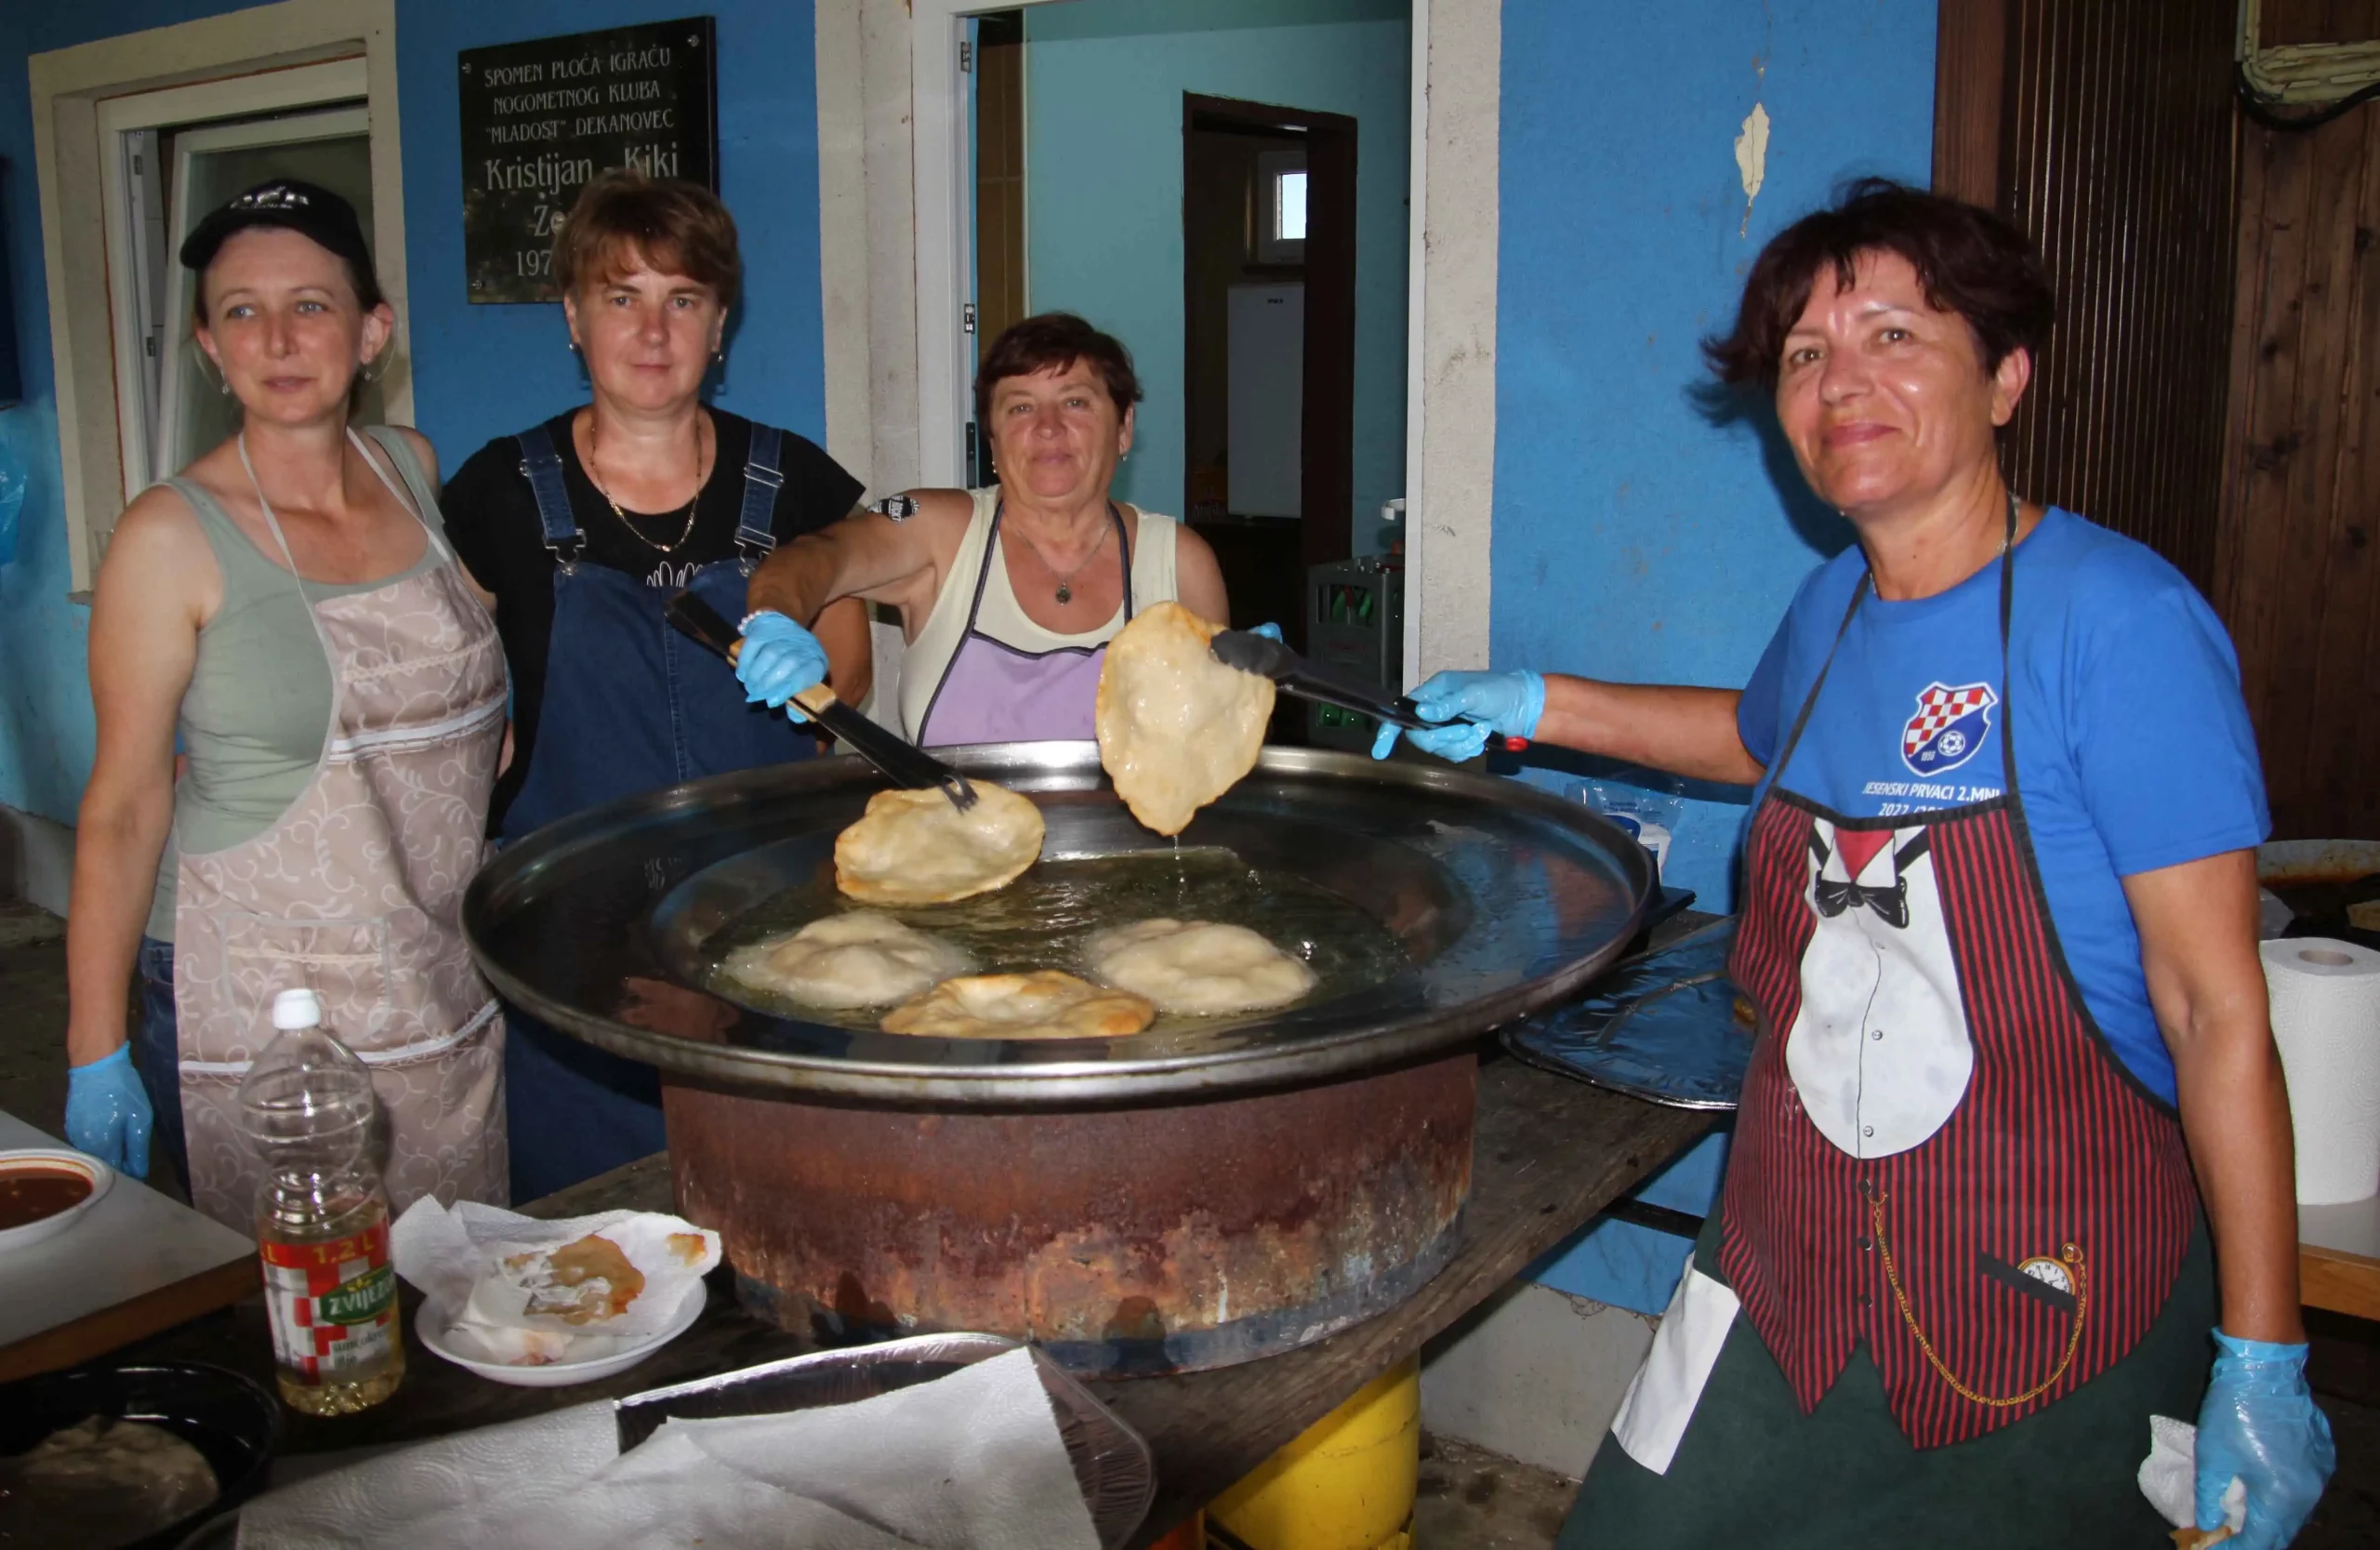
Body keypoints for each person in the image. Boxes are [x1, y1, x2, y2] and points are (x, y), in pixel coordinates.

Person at [1381, 181, 2335, 1548]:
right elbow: (1750, 732)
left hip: (2042, 1281)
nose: (1843, 385)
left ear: (2006, 377)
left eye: (1895, 337)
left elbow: (2215, 1011)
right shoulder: (1832, 601)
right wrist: (1538, 699)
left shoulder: (2117, 624)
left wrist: (2264, 1346)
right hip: (1779, 1256)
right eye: (1807, 355)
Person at [64, 179, 508, 1228]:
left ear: (371, 330)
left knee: (456, 1280)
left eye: (310, 303)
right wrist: (94, 1046)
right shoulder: (168, 537)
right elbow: (123, 808)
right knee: (313, 1313)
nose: (277, 337)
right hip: (266, 1002)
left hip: (435, 968)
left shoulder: (410, 467)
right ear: (211, 350)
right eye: (240, 312)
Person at [439, 170, 870, 1201]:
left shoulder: (796, 479)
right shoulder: (496, 491)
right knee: (587, 1228)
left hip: (776, 924)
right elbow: (446, 687)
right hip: (572, 935)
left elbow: (849, 669)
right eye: (619, 296)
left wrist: (812, 672)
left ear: (719, 325)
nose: (652, 329)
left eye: (683, 298)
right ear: (573, 319)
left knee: (789, 1199)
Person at [734, 312, 1235, 742]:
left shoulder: (1179, 561)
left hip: (1133, 856)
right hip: (951, 851)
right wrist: (773, 618)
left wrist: (1243, 692)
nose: (1048, 426)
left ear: (1124, 427)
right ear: (993, 444)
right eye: (1020, 407)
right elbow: (820, 553)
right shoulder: (928, 523)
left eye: (1076, 402)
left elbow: (1215, 754)